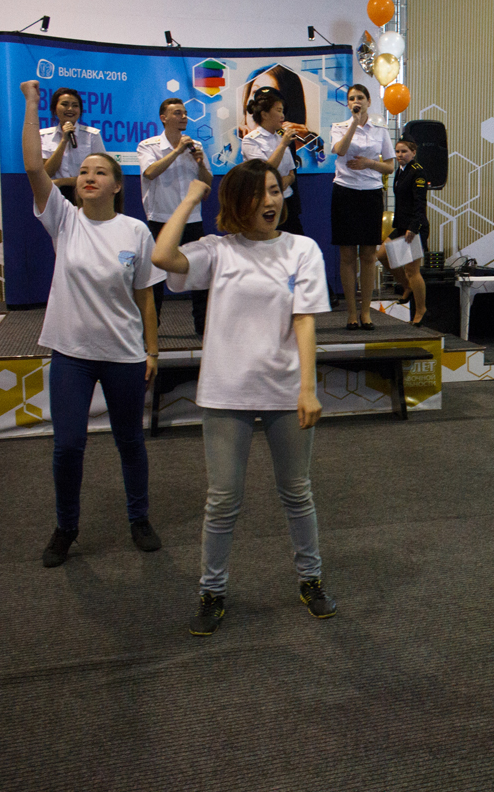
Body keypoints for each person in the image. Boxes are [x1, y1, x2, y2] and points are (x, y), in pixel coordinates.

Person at [151, 160, 335, 636]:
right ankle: (212, 590)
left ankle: (311, 580)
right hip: (225, 391)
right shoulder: (218, 250)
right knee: (222, 500)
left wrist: (308, 389)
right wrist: (190, 199)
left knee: (297, 492)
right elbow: (162, 256)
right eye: (258, 193)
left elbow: (305, 320)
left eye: (274, 190)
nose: (270, 201)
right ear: (237, 203)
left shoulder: (302, 249)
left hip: (285, 390)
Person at [18, 80, 164, 568]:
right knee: (68, 446)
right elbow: (34, 166)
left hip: (124, 354)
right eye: (83, 171)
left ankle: (139, 518)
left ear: (117, 185)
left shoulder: (135, 231)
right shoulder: (63, 219)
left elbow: (146, 298)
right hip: (72, 355)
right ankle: (66, 527)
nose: (89, 176)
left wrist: (152, 351)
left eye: (100, 171)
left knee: (130, 442)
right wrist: (32, 104)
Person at [137, 98, 214, 336]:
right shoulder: (148, 146)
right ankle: (151, 329)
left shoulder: (196, 146)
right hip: (161, 218)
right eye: (177, 113)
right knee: (156, 277)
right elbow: (150, 172)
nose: (183, 117)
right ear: (164, 118)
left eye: (185, 113)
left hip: (192, 219)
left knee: (200, 273)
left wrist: (200, 164)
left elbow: (207, 184)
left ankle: (203, 327)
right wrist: (178, 151)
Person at [328, 84, 395, 329]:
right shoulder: (339, 127)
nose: (356, 101)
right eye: (351, 98)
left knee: (368, 255)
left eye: (360, 98)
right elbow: (340, 150)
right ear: (348, 104)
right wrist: (354, 124)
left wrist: (369, 163)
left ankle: (366, 312)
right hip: (345, 191)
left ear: (368, 101)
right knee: (347, 255)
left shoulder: (380, 130)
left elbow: (390, 166)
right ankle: (351, 313)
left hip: (370, 193)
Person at [239, 87, 312, 236]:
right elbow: (264, 171)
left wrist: (288, 179)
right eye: (278, 111)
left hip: (287, 200)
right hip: (265, 203)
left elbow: (291, 172)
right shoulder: (251, 140)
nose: (282, 116)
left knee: (295, 241)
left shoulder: (281, 138)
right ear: (264, 114)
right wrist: (283, 145)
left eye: (283, 111)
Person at [377, 138, 429, 323]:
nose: (400, 155)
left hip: (414, 226)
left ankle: (421, 310)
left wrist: (413, 228)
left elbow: (420, 203)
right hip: (400, 225)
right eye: (397, 151)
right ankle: (406, 286)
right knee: (382, 255)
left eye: (404, 151)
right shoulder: (400, 171)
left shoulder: (418, 172)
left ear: (413, 152)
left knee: (412, 270)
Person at [40, 87, 105, 205]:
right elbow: (46, 173)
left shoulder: (92, 135)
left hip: (85, 193)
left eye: (75, 105)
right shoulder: (44, 136)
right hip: (54, 195)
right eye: (65, 104)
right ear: (54, 108)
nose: (70, 109)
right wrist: (64, 140)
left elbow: (100, 173)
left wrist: (62, 182)